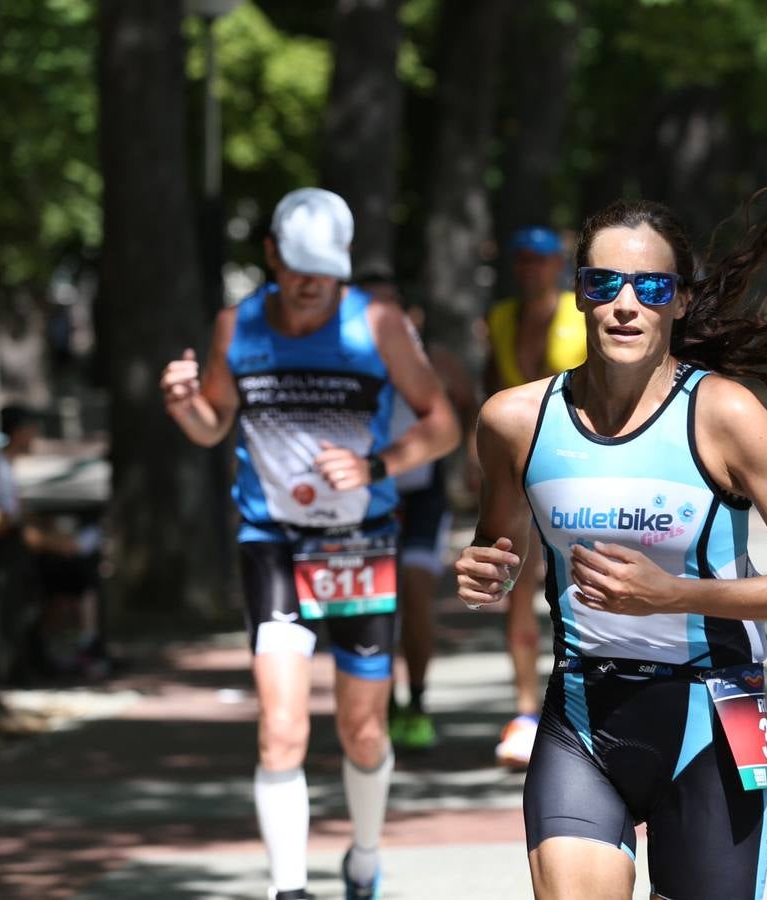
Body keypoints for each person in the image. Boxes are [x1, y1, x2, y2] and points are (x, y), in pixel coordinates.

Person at [455, 197, 767, 899]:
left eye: (652, 287)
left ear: (679, 302)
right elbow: (499, 543)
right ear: (577, 293)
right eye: (603, 283)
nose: (625, 304)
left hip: (712, 716)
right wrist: (484, 566)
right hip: (583, 713)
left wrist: (679, 596)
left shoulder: (725, 415)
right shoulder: (514, 421)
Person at [160, 188, 460, 900]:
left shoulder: (378, 323)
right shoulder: (237, 326)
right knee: (282, 728)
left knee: (362, 732)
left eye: (324, 268)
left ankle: (362, 856)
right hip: (273, 541)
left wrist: (377, 465)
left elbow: (443, 424)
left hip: (360, 541)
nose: (310, 282)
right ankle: (288, 889)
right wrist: (184, 408)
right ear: (271, 255)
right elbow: (212, 424)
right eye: (296, 266)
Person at [356, 271, 481, 751]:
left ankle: (418, 699)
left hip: (421, 495)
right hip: (366, 497)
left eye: (390, 305)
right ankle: (380, 704)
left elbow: (468, 407)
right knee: (374, 603)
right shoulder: (350, 361)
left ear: (409, 314)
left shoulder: (435, 362)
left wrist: (471, 458)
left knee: (415, 593)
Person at [483, 225, 587, 768]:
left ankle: (580, 700)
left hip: (577, 465)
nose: (530, 270)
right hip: (520, 466)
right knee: (516, 585)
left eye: (540, 260)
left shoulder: (580, 312)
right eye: (522, 260)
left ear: (557, 265)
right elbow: (491, 389)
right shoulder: (501, 318)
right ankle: (526, 709)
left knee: (580, 582)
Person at [0, 405, 108, 681]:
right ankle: (82, 647)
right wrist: (58, 543)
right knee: (78, 574)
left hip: (21, 555)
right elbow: (5, 524)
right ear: (19, 433)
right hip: (9, 560)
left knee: (78, 573)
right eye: (32, 431)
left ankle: (73, 646)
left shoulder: (5, 466)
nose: (36, 437)